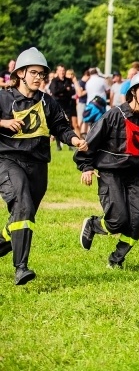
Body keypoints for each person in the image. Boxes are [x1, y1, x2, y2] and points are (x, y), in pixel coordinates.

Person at [0, 48, 86, 285]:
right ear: (20, 73)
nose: (39, 78)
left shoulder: (48, 102)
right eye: (34, 73)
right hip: (8, 161)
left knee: (24, 215)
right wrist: (3, 122)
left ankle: (3, 243)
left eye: (42, 74)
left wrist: (75, 140)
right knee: (23, 206)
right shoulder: (3, 97)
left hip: (38, 165)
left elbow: (61, 127)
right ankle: (21, 268)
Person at [75, 71, 139, 269]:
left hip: (134, 174)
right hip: (110, 172)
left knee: (138, 222)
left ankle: (116, 259)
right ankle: (93, 224)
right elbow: (90, 142)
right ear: (133, 93)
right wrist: (86, 166)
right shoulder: (114, 114)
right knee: (117, 221)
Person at [49, 64, 79, 146]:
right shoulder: (54, 81)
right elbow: (54, 91)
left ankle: (70, 143)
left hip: (67, 104)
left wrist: (62, 92)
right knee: (58, 124)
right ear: (57, 71)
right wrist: (65, 89)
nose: (62, 72)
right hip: (57, 105)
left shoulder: (68, 80)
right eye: (60, 70)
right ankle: (58, 145)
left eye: (63, 70)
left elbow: (72, 91)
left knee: (68, 123)